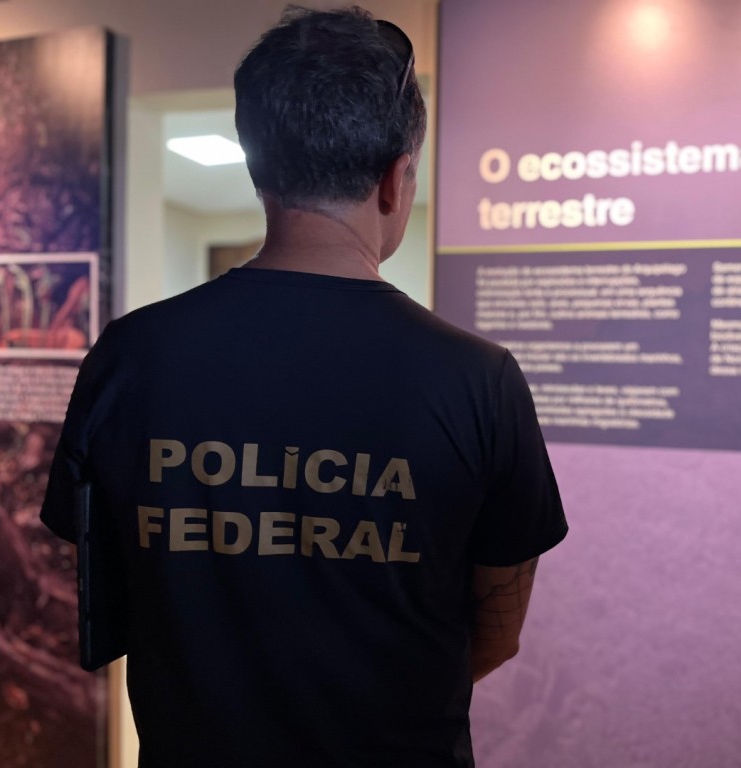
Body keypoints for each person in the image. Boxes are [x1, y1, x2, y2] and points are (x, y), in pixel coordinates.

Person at [39, 6, 567, 767]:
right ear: (396, 178)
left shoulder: (129, 356)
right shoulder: (479, 380)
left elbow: (106, 583)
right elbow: (494, 633)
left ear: (258, 171)